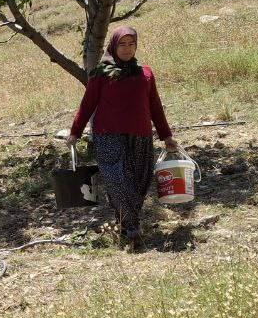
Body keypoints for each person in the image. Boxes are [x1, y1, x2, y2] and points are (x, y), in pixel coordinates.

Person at [66, 26, 179, 251]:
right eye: (122, 44)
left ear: (136, 46)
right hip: (108, 136)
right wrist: (75, 132)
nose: (127, 49)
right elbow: (87, 104)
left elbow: (155, 107)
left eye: (131, 44)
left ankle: (125, 221)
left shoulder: (145, 73)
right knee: (118, 180)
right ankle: (132, 228)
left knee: (139, 183)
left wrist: (166, 136)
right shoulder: (101, 73)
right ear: (113, 46)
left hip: (140, 137)